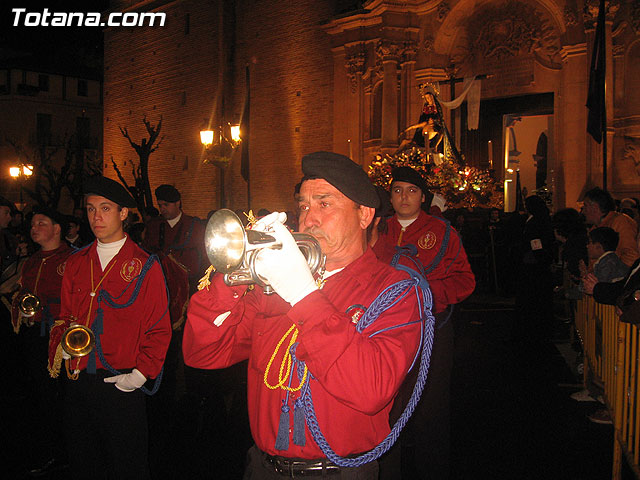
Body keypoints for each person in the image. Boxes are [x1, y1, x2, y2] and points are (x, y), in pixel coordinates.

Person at [183, 152, 425, 479]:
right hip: (262, 467)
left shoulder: (394, 290)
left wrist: (302, 293)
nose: (308, 219)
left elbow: (371, 390)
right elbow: (203, 354)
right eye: (304, 206)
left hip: (341, 472)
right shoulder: (272, 284)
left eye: (324, 204)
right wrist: (232, 278)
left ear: (365, 214)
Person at [47, 175, 171, 480]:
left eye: (105, 209)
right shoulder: (77, 262)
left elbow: (159, 327)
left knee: (126, 466)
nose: (96, 217)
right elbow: (63, 316)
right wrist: (61, 345)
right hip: (78, 380)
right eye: (90, 209)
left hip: (122, 382)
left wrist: (140, 375)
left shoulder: (145, 265)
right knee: (83, 462)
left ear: (123, 213)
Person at [372, 166, 475, 480]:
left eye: (412, 191)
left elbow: (465, 280)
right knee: (386, 406)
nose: (405, 197)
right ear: (390, 195)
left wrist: (428, 294)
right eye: (398, 190)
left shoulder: (442, 232)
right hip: (386, 332)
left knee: (430, 408)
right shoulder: (377, 229)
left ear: (423, 196)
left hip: (432, 330)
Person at [10, 207, 72, 476]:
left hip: (57, 336)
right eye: (33, 224)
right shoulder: (33, 260)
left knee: (58, 395)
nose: (34, 228)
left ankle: (62, 450)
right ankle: (46, 446)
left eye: (41, 223)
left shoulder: (71, 258)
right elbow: (23, 291)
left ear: (57, 229)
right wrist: (21, 305)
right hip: (33, 334)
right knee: (39, 393)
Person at [143, 184, 206, 295]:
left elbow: (203, 257)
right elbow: (146, 253)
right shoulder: (154, 226)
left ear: (178, 203)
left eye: (166, 205)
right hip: (161, 285)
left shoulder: (194, 225)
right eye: (160, 205)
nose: (162, 209)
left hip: (189, 285)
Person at [583, 187, 639, 267]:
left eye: (585, 206)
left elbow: (631, 256)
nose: (583, 211)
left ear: (595, 207)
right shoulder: (595, 228)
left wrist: (613, 275)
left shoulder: (620, 222)